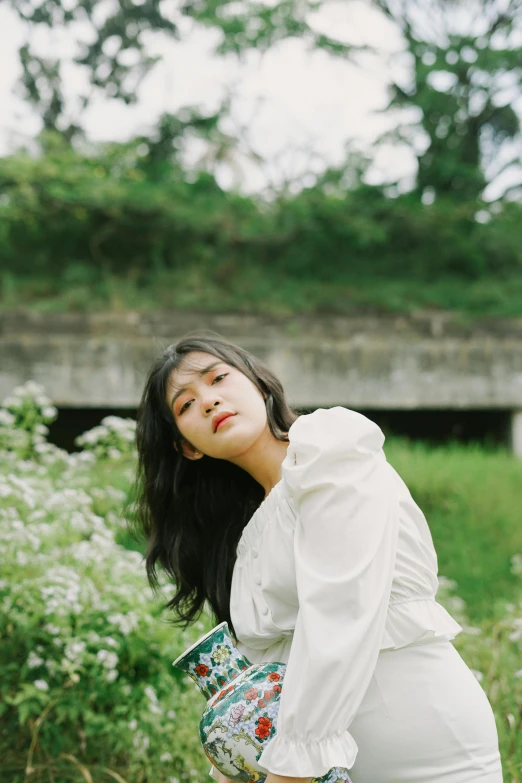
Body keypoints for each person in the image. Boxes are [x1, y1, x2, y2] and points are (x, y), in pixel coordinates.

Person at [132, 332, 503, 783]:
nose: (208, 401)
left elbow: (342, 612)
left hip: (421, 749)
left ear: (261, 386)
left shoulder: (329, 450)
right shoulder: (245, 539)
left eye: (218, 379)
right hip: (324, 770)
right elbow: (266, 682)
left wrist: (291, 769)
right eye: (185, 405)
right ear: (187, 447)